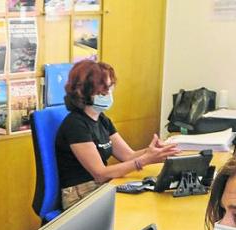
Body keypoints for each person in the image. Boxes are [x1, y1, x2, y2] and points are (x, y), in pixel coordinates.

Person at [54, 59, 178, 209]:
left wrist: (152, 152)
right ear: (83, 91)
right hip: (79, 194)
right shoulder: (75, 124)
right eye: (103, 91)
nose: (108, 94)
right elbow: (100, 173)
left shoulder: (102, 119)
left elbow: (127, 156)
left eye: (110, 89)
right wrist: (145, 160)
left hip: (99, 186)